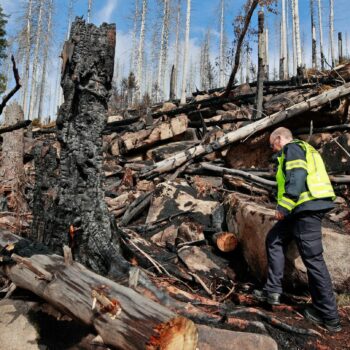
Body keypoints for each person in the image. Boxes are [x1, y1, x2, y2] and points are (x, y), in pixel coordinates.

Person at [253, 127, 342, 332]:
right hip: (301, 209)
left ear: (279, 139)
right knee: (274, 239)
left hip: (306, 209)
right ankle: (272, 291)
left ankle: (329, 317)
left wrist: (284, 205)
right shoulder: (306, 148)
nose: (272, 150)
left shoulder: (292, 149)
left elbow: (297, 176)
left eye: (271, 145)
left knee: (314, 262)